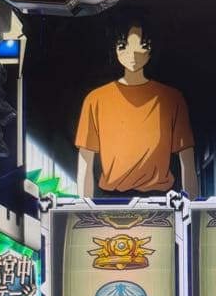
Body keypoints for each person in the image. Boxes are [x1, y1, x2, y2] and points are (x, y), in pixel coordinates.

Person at [75, 18, 198, 197]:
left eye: (142, 45)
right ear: (114, 49)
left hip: (160, 200)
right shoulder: (95, 99)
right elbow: (85, 162)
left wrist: (190, 207)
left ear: (151, 49)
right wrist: (84, 208)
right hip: (112, 200)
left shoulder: (172, 98)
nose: (133, 54)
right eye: (123, 45)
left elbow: (187, 160)